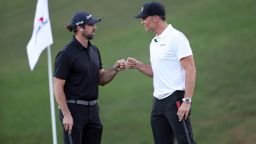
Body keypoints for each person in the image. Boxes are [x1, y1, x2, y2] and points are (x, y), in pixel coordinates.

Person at [126, 1, 197, 144]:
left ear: (155, 18)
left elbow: (191, 69)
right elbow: (157, 72)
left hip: (175, 99)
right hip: (158, 102)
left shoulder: (176, 37)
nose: (142, 22)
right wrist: (138, 65)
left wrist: (187, 101)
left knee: (185, 141)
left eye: (144, 18)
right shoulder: (154, 42)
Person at [54, 11, 125, 144]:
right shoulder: (66, 54)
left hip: (93, 111)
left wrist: (115, 69)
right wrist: (67, 114)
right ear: (80, 28)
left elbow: (101, 79)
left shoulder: (94, 51)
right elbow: (58, 87)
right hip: (73, 112)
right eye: (91, 24)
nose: (95, 27)